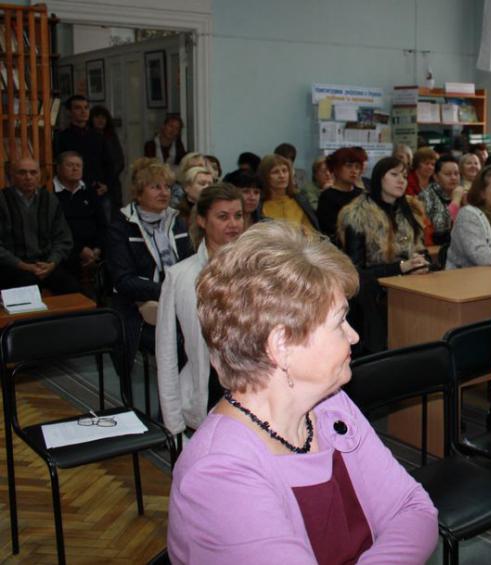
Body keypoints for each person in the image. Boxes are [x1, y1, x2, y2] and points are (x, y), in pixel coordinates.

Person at [167, 221, 438, 563]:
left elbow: (415, 509)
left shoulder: (330, 405)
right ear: (281, 346)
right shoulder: (219, 472)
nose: (353, 336)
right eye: (339, 322)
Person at [157, 184, 245, 439]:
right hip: (206, 393)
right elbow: (166, 354)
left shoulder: (259, 271)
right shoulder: (179, 276)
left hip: (254, 391)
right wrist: (173, 424)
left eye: (238, 215)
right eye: (223, 216)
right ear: (202, 221)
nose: (233, 224)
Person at [337, 157, 430, 353]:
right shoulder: (357, 214)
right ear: (379, 178)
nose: (401, 180)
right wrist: (401, 267)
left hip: (410, 285)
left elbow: (422, 250)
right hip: (373, 291)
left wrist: (420, 263)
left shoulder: (410, 209)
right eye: (394, 175)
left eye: (404, 176)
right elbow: (356, 271)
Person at [107, 161, 193, 360]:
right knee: (181, 343)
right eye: (155, 187)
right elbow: (123, 281)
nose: (164, 193)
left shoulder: (177, 222)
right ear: (138, 193)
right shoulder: (121, 227)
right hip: (137, 306)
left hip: (179, 301)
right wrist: (167, 291)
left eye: (167, 187)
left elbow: (189, 264)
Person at [0, 157, 79, 293]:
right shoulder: (2, 201)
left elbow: (63, 239)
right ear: (12, 176)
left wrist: (52, 263)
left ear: (39, 175)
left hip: (46, 264)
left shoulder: (50, 199)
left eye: (33, 172)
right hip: (12, 267)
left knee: (74, 291)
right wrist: (23, 266)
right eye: (22, 172)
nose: (28, 177)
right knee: (27, 290)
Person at [53, 152, 108, 285]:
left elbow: (103, 224)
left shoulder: (89, 192)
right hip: (66, 251)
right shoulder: (50, 193)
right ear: (58, 168)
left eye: (78, 165)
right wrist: (80, 250)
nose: (75, 169)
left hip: (95, 251)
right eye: (70, 165)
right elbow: (54, 231)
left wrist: (97, 249)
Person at [53, 95, 112, 198]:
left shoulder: (98, 137)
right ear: (69, 112)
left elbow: (109, 163)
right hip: (71, 189)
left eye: (86, 107)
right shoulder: (62, 137)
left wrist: (107, 184)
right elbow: (58, 164)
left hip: (97, 189)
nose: (83, 111)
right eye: (78, 108)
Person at [260, 154, 320, 235]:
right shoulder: (260, 206)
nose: (282, 176)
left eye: (284, 171)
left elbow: (313, 233)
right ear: (265, 177)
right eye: (275, 172)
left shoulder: (300, 201)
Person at [318, 147, 364, 244]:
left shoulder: (362, 194)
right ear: (335, 169)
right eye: (349, 166)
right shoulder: (327, 197)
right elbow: (328, 231)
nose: (354, 171)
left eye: (357, 167)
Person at [418, 155, 464, 245]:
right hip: (436, 246)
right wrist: (455, 201)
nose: (453, 178)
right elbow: (439, 228)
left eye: (456, 174)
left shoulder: (464, 193)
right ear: (436, 177)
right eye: (448, 174)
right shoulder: (426, 196)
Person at [90, 105, 125, 211]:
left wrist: (107, 182)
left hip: (112, 183)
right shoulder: (88, 137)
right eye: (97, 117)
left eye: (103, 117)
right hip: (94, 183)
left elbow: (119, 161)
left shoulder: (111, 137)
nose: (101, 120)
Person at [176, 166, 215, 231]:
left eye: (210, 185)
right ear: (187, 187)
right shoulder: (177, 215)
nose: (207, 188)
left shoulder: (217, 210)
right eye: (202, 184)